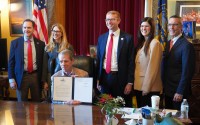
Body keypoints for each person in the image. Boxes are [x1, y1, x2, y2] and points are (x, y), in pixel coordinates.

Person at [96, 10, 134, 107]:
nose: (109, 22)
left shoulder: (128, 38)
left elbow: (131, 62)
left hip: (120, 79)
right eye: (107, 19)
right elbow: (99, 59)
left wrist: (130, 82)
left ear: (119, 20)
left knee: (120, 108)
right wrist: (98, 79)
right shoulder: (101, 38)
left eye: (112, 19)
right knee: (105, 107)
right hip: (105, 78)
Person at [162, 15, 195, 110]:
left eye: (175, 25)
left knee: (179, 121)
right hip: (168, 90)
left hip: (178, 92)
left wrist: (180, 91)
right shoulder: (168, 43)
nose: (171, 27)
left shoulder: (186, 45)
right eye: (170, 24)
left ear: (181, 27)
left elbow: (187, 71)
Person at [8, 19, 45, 102]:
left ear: (33, 29)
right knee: (21, 105)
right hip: (21, 77)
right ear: (22, 28)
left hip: (36, 76)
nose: (26, 30)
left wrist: (44, 80)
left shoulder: (41, 44)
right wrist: (11, 79)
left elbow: (43, 63)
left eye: (29, 27)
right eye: (24, 27)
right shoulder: (15, 43)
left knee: (37, 103)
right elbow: (11, 63)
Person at [134, 17, 163, 107]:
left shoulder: (155, 43)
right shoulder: (141, 43)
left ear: (151, 28)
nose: (143, 28)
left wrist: (146, 88)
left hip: (149, 89)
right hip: (139, 86)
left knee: (149, 118)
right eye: (142, 26)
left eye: (146, 26)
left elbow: (153, 68)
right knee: (140, 117)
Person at [42, 23, 74, 100]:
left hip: (65, 76)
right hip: (51, 77)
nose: (55, 33)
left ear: (62, 33)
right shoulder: (48, 47)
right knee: (53, 98)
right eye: (53, 31)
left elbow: (71, 63)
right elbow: (44, 65)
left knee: (65, 98)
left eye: (58, 31)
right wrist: (44, 81)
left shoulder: (68, 47)